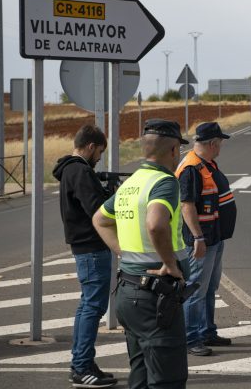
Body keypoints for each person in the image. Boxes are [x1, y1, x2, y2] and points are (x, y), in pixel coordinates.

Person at [92, 119, 191, 389]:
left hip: (129, 291)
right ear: (173, 150)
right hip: (155, 297)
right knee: (167, 378)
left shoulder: (131, 183)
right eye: (179, 149)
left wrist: (123, 252)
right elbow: (156, 224)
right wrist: (170, 264)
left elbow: (100, 219)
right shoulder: (164, 182)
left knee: (141, 374)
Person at [52, 124, 117, 388]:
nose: (100, 157)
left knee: (88, 306)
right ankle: (80, 367)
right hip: (91, 248)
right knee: (92, 307)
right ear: (91, 146)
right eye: (100, 151)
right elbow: (97, 210)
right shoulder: (79, 171)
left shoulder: (70, 169)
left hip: (86, 248)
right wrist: (114, 196)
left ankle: (84, 363)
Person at [175, 122, 237, 356]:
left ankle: (207, 331)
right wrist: (198, 237)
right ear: (212, 143)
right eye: (219, 143)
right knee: (195, 290)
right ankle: (191, 339)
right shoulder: (191, 168)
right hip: (201, 240)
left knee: (209, 288)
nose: (220, 148)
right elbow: (186, 205)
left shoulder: (205, 164)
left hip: (214, 237)